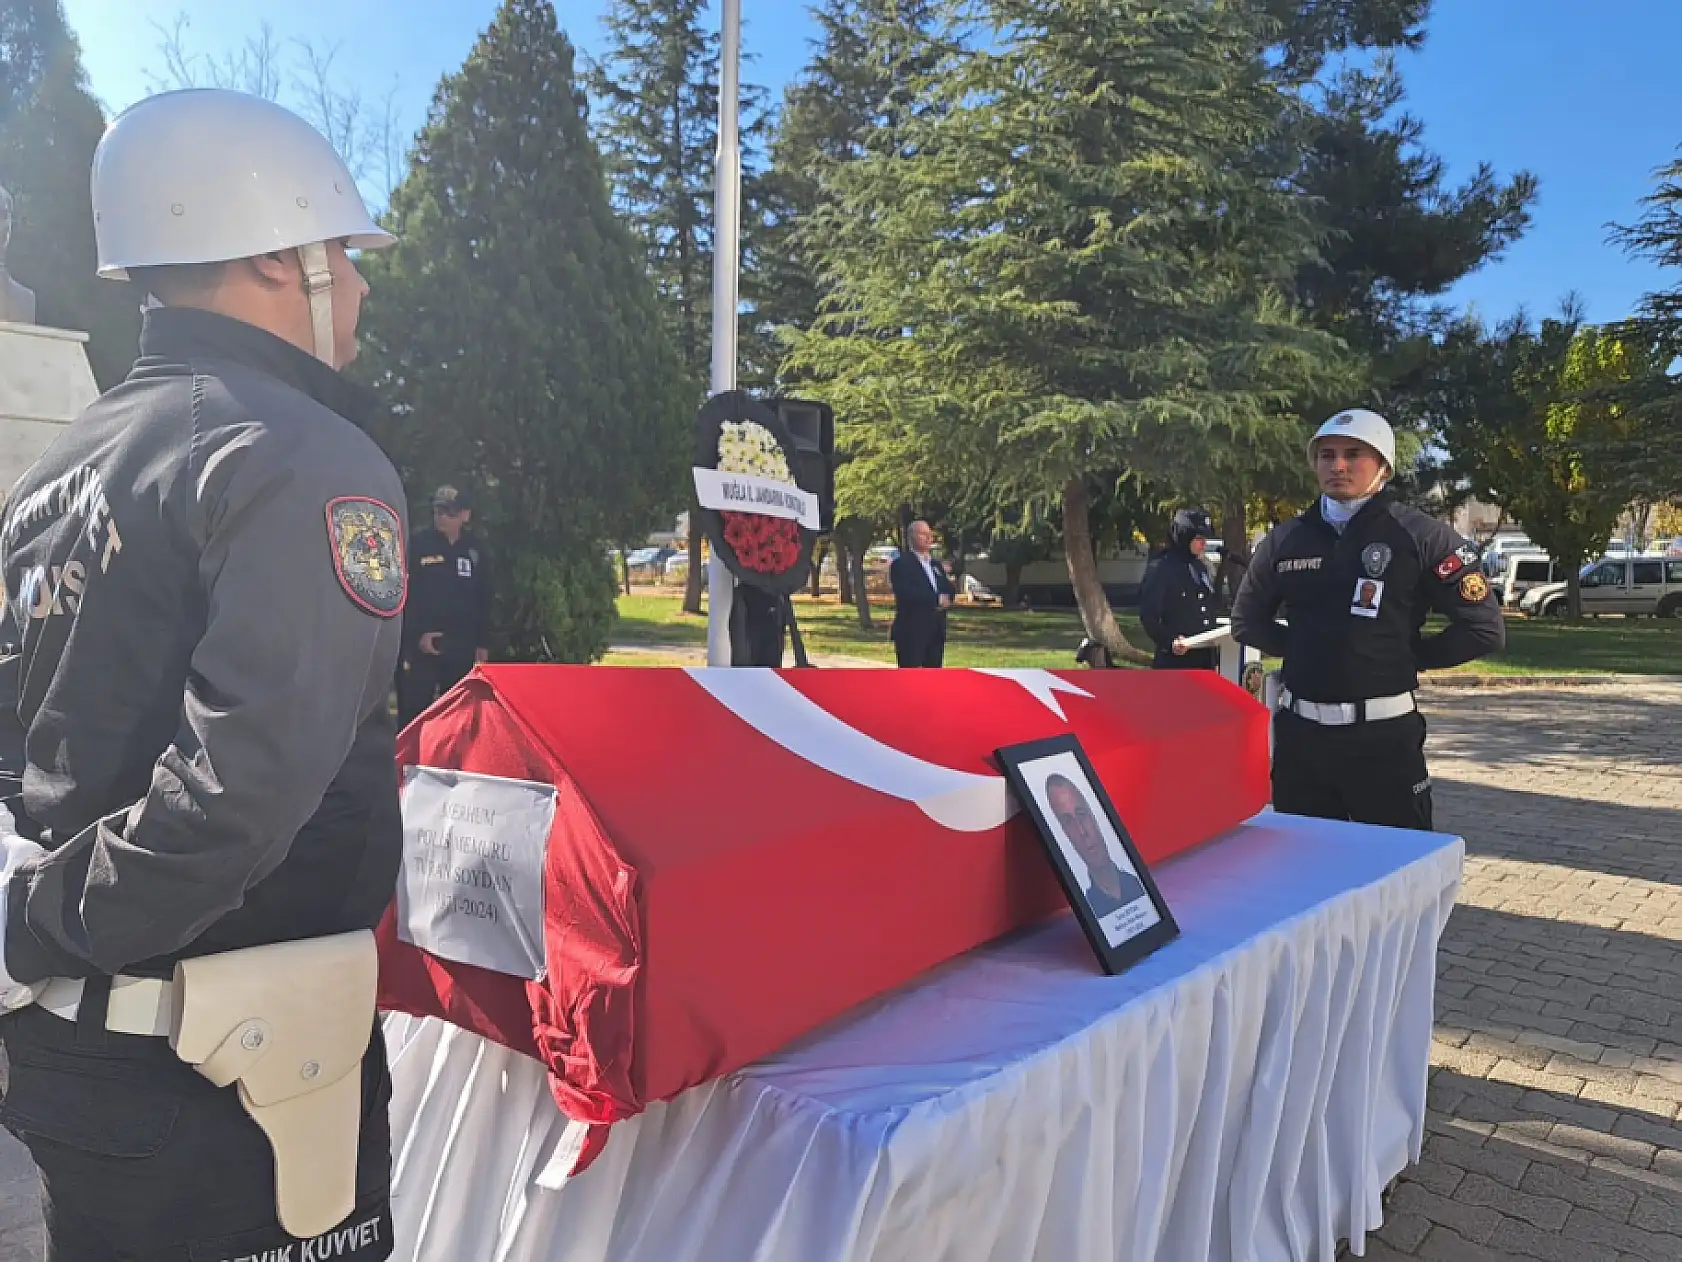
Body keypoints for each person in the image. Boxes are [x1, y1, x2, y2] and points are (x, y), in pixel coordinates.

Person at [0, 88, 404, 1260]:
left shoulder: (63, 461)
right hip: (233, 1070)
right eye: (341, 248)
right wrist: (37, 924)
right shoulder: (299, 451)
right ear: (280, 251)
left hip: (80, 1058)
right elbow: (242, 787)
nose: (360, 282)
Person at [1231, 408, 1505, 832]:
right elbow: (1247, 622)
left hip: (1384, 739)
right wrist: (1312, 650)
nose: (1338, 465)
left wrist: (1407, 655)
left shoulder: (1422, 536)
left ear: (1383, 466)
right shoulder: (1285, 539)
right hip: (1300, 740)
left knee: (1398, 874)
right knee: (1303, 874)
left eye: (1354, 453)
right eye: (1327, 455)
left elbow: (1483, 628)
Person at [398, 484, 493, 726]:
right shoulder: (418, 544)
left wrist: (482, 643)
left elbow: (483, 596)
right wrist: (416, 635)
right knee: (414, 712)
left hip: (461, 645)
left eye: (448, 511)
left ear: (464, 515)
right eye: (437, 510)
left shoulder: (475, 550)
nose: (441, 516)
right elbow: (405, 593)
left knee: (457, 713)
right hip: (423, 645)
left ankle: (448, 761)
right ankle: (406, 762)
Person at [1044, 773, 1146, 918]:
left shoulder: (1138, 885)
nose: (1081, 831)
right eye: (1068, 822)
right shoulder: (1089, 909)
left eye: (1081, 814)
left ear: (1094, 817)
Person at [1138, 508, 1222, 670]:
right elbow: (1149, 616)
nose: (1203, 544)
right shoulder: (1161, 568)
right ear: (1184, 537)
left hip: (1205, 661)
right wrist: (1169, 641)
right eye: (1198, 538)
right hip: (1176, 663)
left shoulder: (1200, 567)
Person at [889, 520, 956, 668]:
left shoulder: (936, 565)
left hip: (935, 630)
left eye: (929, 534)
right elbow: (906, 593)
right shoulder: (901, 564)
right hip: (911, 631)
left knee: (932, 680)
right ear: (912, 537)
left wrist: (948, 598)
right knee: (911, 679)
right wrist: (936, 599)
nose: (928, 538)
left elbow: (947, 588)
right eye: (923, 534)